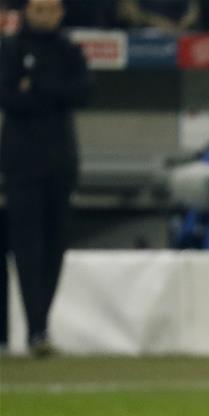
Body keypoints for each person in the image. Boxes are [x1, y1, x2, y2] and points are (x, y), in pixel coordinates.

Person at [0, 0, 88, 356]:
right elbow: (8, 98)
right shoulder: (10, 48)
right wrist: (53, 92)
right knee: (27, 247)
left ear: (61, 12)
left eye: (51, 8)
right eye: (38, 8)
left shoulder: (69, 49)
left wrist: (35, 87)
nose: (45, 15)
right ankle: (35, 327)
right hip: (20, 161)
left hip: (61, 160)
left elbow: (83, 92)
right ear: (26, 12)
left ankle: (40, 327)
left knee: (54, 246)